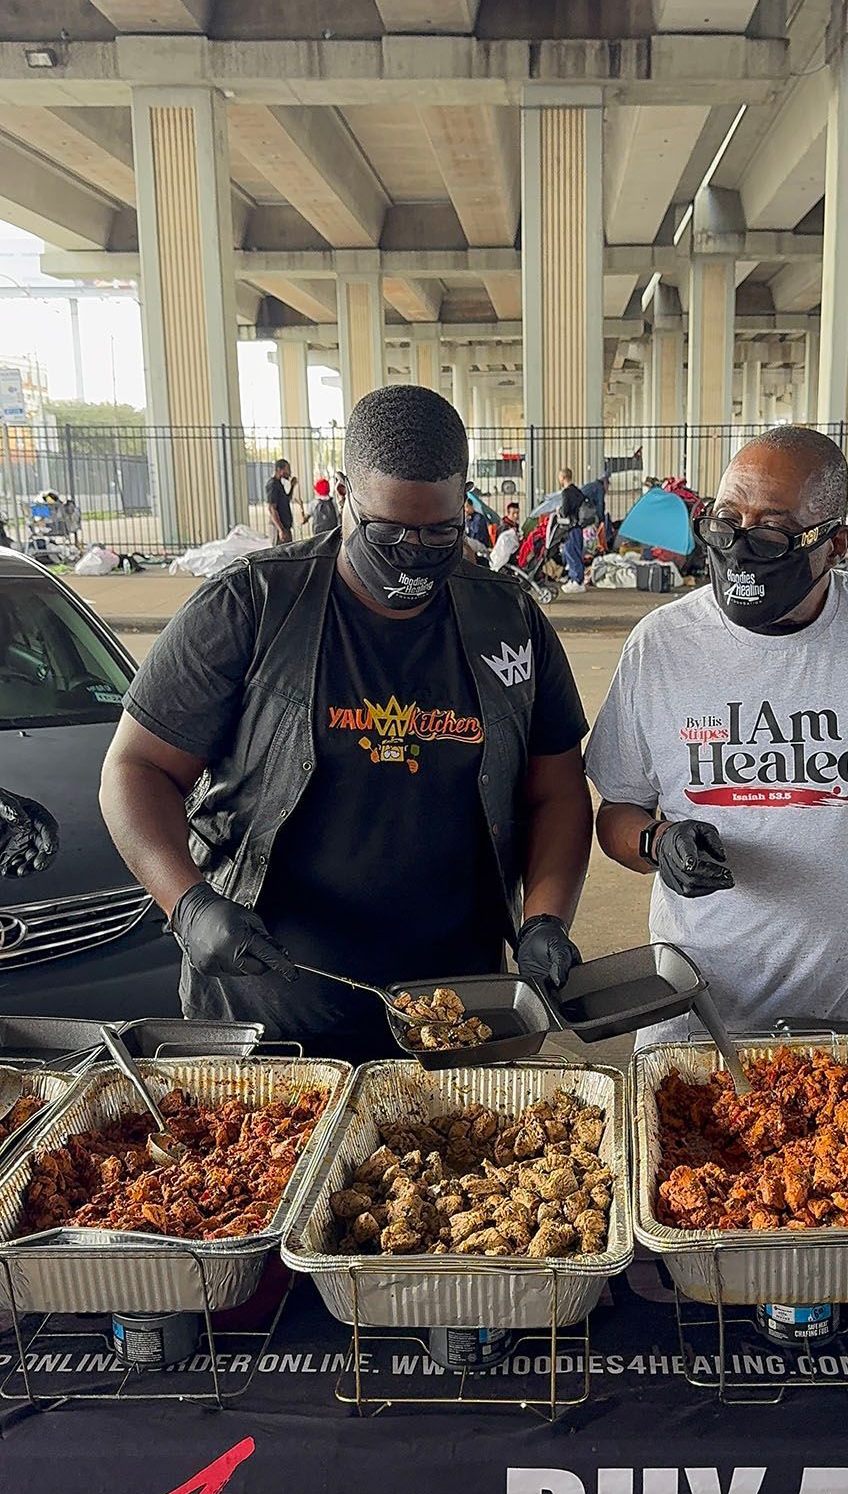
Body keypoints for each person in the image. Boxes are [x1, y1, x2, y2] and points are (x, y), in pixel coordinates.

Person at [100, 385, 592, 1062]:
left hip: (455, 1012)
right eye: (387, 531)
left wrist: (544, 918)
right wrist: (186, 903)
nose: (414, 553)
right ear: (343, 501)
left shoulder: (509, 621)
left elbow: (557, 789)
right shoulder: (251, 605)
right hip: (269, 1013)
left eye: (439, 533)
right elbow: (135, 768)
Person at [585, 426, 848, 1041]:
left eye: (771, 533)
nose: (740, 548)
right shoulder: (662, 645)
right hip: (698, 1027)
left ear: (835, 545)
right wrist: (657, 843)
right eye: (726, 523)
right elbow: (615, 811)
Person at [555, 467, 588, 593]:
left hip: (571, 526)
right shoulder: (578, 491)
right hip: (579, 527)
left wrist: (559, 509)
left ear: (563, 478)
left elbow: (565, 511)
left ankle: (577, 581)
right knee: (577, 552)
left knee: (571, 552)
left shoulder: (566, 493)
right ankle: (578, 579)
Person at [265, 458, 297, 545]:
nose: (289, 473)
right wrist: (281, 530)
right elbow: (272, 509)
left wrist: (292, 487)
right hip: (279, 527)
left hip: (284, 526)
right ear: (279, 469)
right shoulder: (273, 485)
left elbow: (286, 500)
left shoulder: (279, 484)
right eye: (287, 469)